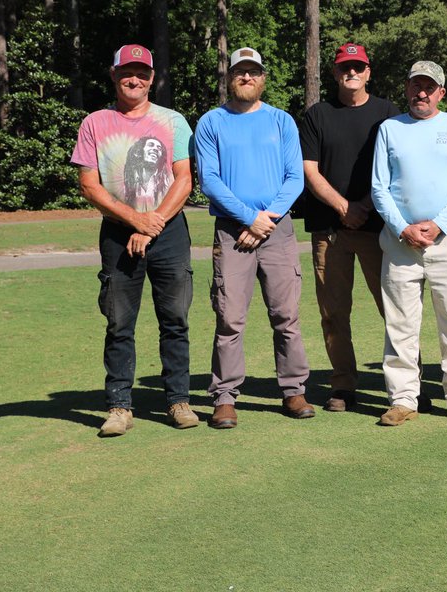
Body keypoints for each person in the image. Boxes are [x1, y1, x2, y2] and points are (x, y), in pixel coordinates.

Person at [71, 43, 198, 437]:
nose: (135, 79)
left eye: (142, 73)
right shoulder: (95, 123)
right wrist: (135, 221)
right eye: (127, 72)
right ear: (114, 75)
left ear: (152, 78)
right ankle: (119, 407)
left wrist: (150, 225)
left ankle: (179, 400)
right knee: (119, 323)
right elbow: (89, 186)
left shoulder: (172, 121)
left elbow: (184, 179)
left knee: (175, 320)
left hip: (168, 231)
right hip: (117, 233)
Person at [194, 46, 313, 428]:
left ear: (263, 78)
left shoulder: (281, 121)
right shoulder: (212, 122)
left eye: (253, 71)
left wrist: (266, 220)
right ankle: (224, 397)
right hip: (232, 231)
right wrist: (249, 219)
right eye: (240, 71)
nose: (246, 77)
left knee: (286, 316)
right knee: (229, 318)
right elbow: (210, 180)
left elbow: (294, 178)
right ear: (229, 77)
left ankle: (293, 391)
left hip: (277, 229)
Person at [370, 60, 447, 426]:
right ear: (406, 88)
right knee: (400, 325)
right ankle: (403, 399)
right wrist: (403, 227)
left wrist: (438, 225)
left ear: (441, 93)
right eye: (416, 86)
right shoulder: (390, 129)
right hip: (400, 242)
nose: (421, 93)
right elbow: (379, 187)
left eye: (429, 87)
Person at [299, 43, 400, 413]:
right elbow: (310, 171)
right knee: (333, 313)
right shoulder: (318, 115)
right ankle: (343, 384)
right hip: (331, 230)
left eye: (358, 67)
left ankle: (406, 383)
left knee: (395, 309)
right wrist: (344, 207)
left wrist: (365, 206)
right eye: (345, 67)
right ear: (335, 72)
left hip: (379, 229)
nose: (351, 73)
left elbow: (397, 167)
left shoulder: (388, 113)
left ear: (368, 72)